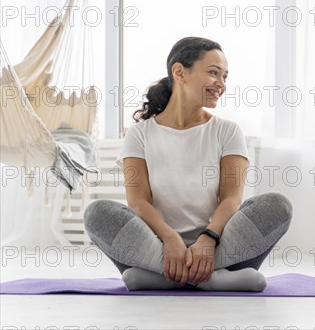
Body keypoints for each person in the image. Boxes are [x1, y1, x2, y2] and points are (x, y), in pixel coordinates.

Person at [84, 37, 292, 292]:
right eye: (214, 73)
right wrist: (170, 238)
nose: (221, 84)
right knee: (96, 214)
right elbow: (138, 202)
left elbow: (231, 199)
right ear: (180, 72)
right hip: (157, 244)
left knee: (278, 205)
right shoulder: (139, 134)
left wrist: (209, 238)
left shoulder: (227, 131)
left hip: (217, 243)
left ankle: (163, 277)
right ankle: (212, 278)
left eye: (225, 76)